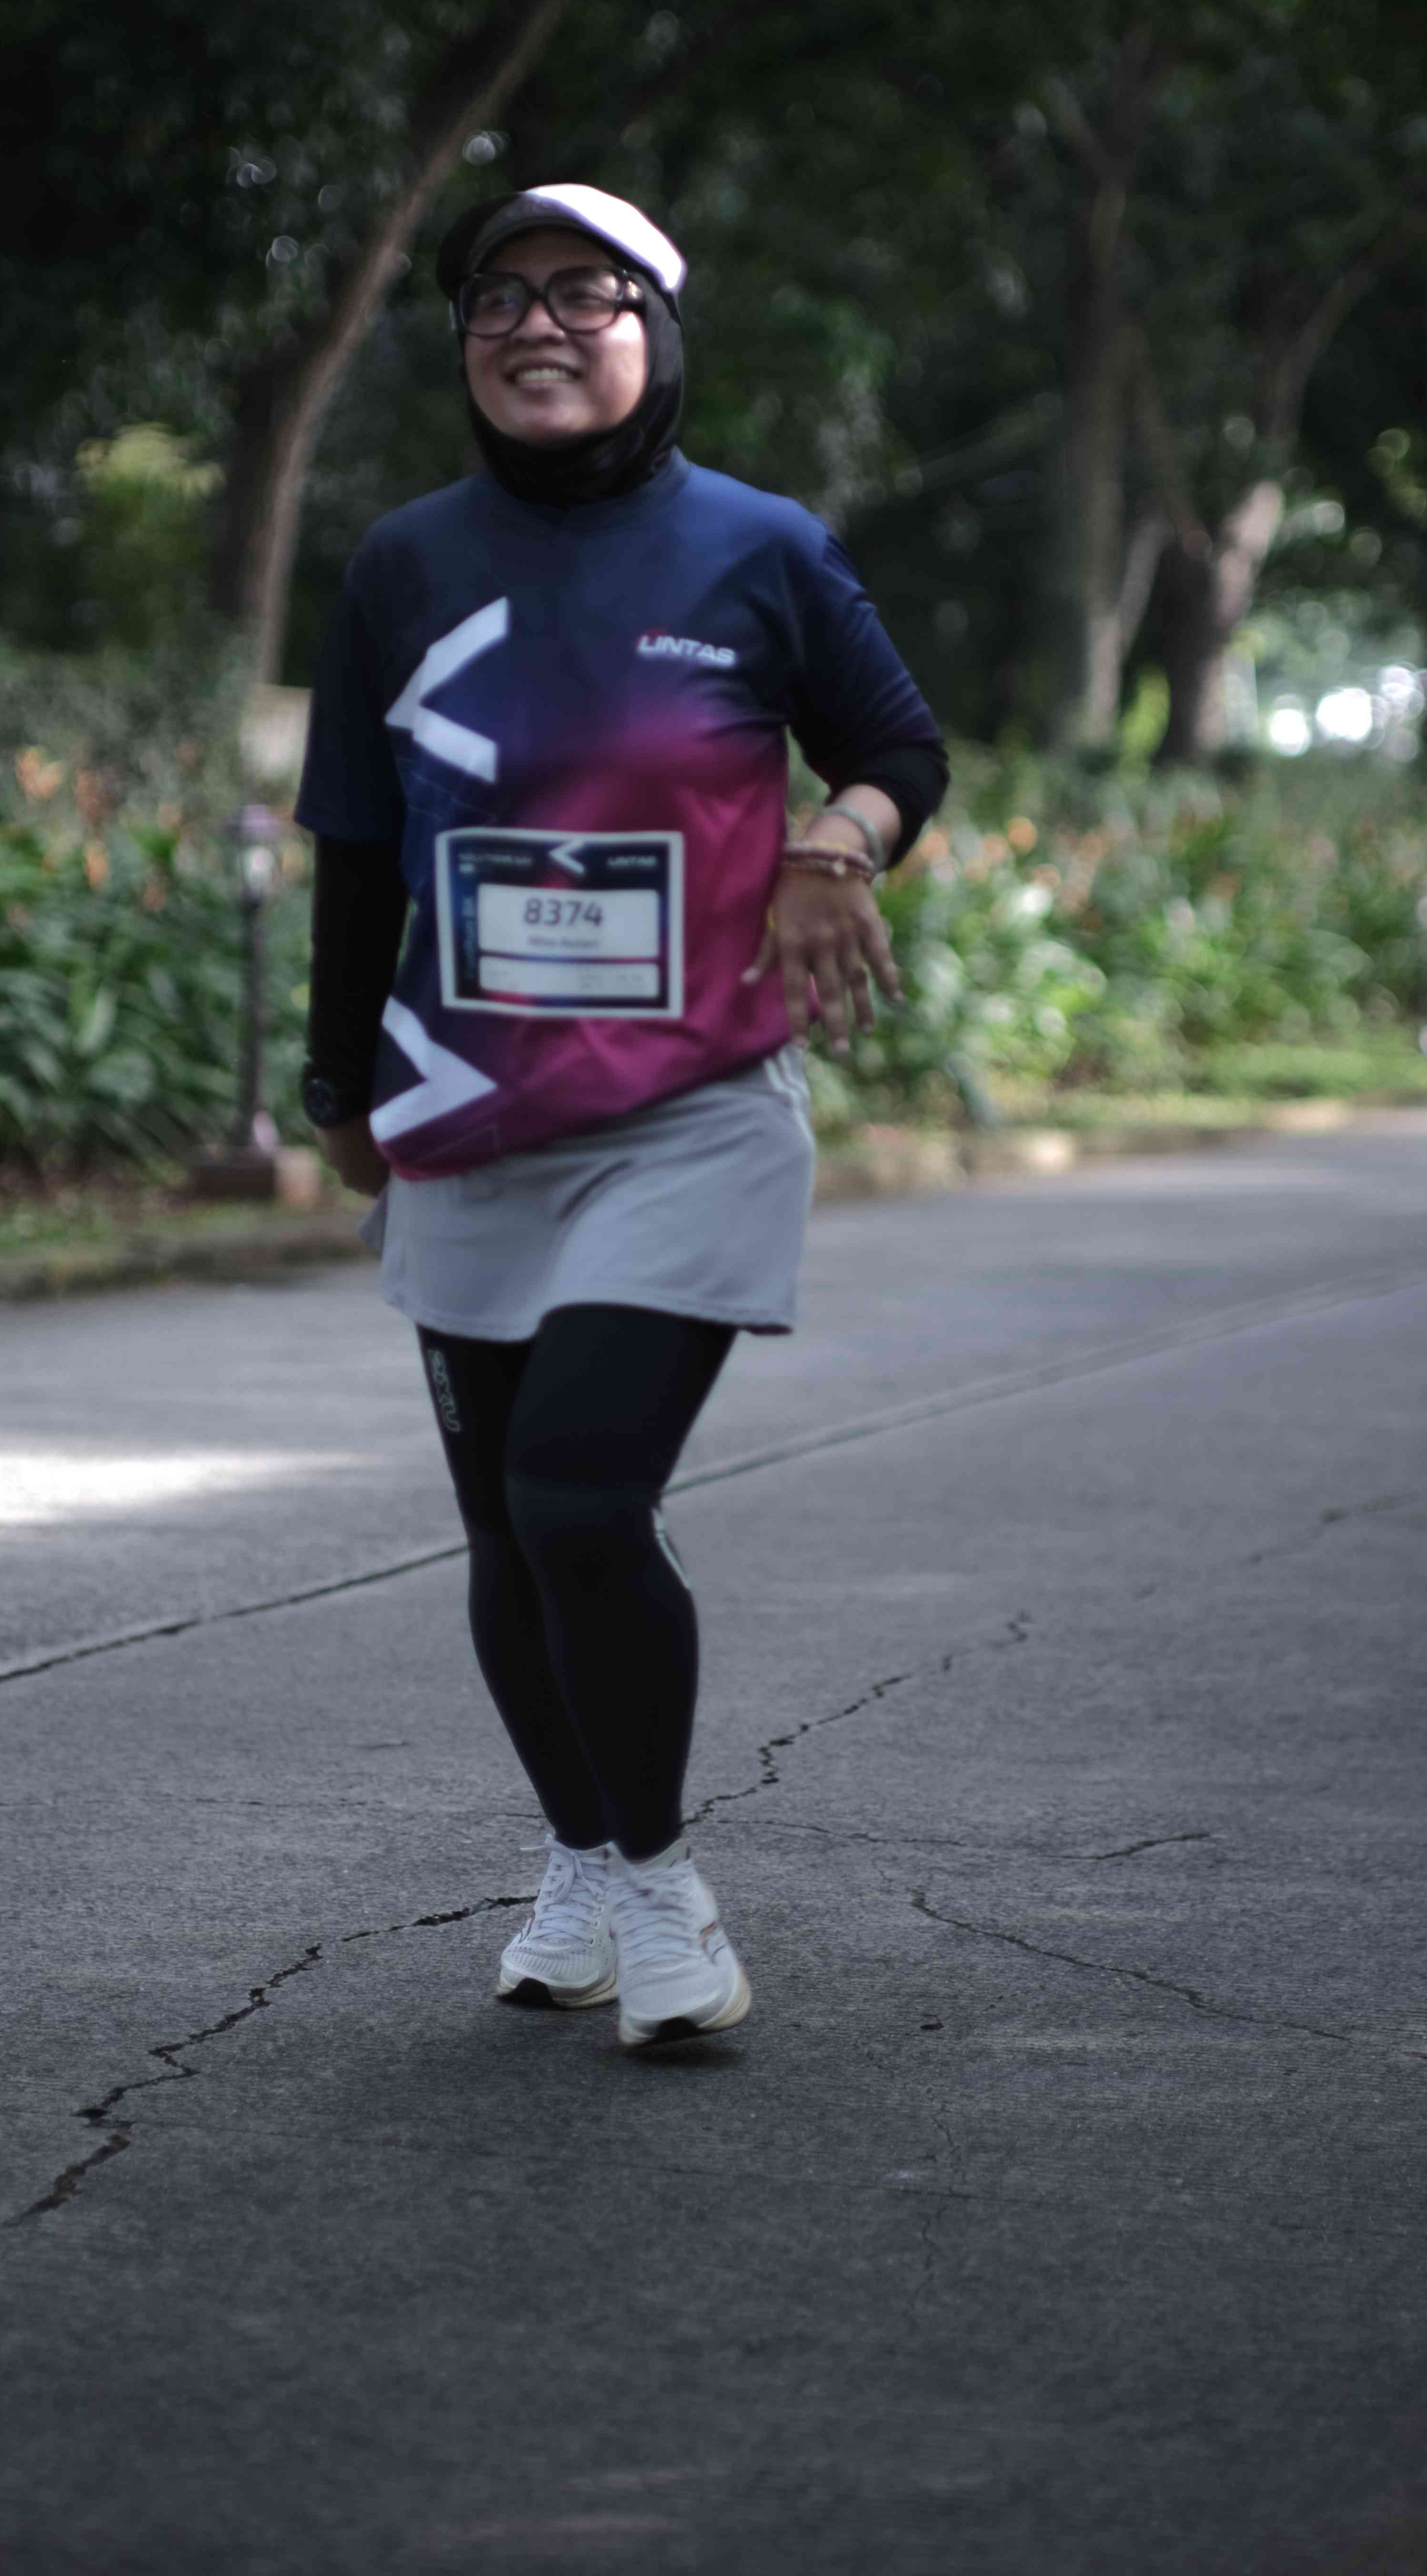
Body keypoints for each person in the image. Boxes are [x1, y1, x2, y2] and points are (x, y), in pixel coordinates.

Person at [294, 183, 948, 2046]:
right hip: (468, 1106)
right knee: (505, 1536)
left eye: (584, 293)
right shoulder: (405, 564)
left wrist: (833, 845)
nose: (536, 324)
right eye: (500, 298)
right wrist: (338, 1081)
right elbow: (358, 848)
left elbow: (897, 748)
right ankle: (578, 1855)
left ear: (658, 333)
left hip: (691, 1106)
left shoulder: (759, 547)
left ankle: (662, 1890)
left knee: (577, 1496)